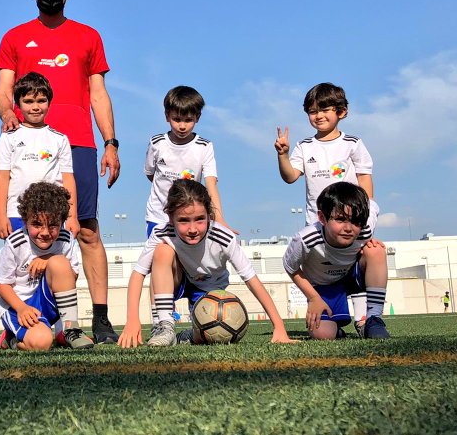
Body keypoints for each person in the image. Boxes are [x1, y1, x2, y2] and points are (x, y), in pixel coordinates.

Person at [0, 0, 120, 344]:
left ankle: (99, 319)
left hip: (78, 142)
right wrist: (6, 115)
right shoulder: (15, 37)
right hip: (28, 146)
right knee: (22, 233)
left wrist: (110, 142)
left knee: (86, 230)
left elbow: (98, 93)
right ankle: (15, 321)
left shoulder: (89, 36)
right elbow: (3, 91)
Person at [119, 179, 293, 347]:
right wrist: (133, 320)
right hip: (177, 279)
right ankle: (164, 326)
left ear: (210, 215)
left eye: (200, 219)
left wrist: (279, 326)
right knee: (162, 251)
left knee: (210, 335)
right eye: (184, 221)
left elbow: (252, 280)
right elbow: (138, 274)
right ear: (171, 218)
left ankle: (189, 335)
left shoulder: (223, 237)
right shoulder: (162, 232)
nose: (193, 229)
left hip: (207, 289)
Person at [275, 82, 374, 327]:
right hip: (320, 231)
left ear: (342, 111)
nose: (318, 115)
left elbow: (364, 179)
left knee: (362, 264)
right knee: (325, 326)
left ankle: (365, 319)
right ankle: (332, 316)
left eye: (325, 109)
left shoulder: (352, 144)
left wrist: (365, 219)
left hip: (349, 227)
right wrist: (282, 155)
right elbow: (290, 177)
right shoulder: (304, 146)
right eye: (312, 111)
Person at [283, 182, 391, 340]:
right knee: (323, 334)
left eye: (355, 221)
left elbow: (372, 205)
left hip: (352, 277)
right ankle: (336, 331)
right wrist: (313, 298)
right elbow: (290, 266)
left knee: (376, 250)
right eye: (340, 219)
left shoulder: (365, 228)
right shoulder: (305, 239)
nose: (349, 228)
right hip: (323, 287)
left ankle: (374, 319)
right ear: (322, 218)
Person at [0, 182, 93, 350]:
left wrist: (49, 259)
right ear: (25, 221)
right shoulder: (15, 243)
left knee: (60, 262)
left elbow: (72, 275)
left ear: (62, 221)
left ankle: (71, 329)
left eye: (53, 225)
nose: (45, 232)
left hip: (47, 303)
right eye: (37, 224)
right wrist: (22, 308)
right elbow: (2, 285)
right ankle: (12, 339)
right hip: (19, 305)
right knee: (42, 342)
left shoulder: (65, 239)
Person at [0, 72, 77, 239]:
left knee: (54, 263)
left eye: (41, 101)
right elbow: (2, 178)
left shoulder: (60, 139)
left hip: (52, 214)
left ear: (49, 103)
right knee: (20, 263)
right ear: (17, 104)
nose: (35, 107)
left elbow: (67, 179)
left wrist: (72, 216)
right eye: (28, 101)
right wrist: (1, 216)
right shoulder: (8, 137)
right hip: (17, 214)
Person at [144, 86, 228, 238]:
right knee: (160, 258)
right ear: (167, 116)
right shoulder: (156, 143)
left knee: (185, 261)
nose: (182, 126)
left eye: (188, 120)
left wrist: (219, 219)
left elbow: (211, 184)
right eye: (176, 119)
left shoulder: (204, 147)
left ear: (197, 117)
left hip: (188, 220)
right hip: (159, 218)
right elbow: (151, 175)